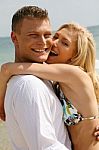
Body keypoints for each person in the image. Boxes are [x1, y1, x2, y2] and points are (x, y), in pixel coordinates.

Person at [1, 22, 99, 150]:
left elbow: (7, 69)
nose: (54, 43)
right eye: (55, 37)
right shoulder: (58, 81)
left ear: (74, 56)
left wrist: (1, 102)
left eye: (64, 43)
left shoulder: (75, 74)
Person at [0, 6, 72, 150]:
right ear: (15, 38)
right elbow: (47, 147)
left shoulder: (43, 78)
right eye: (33, 35)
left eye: (47, 35)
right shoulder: (29, 85)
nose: (43, 42)